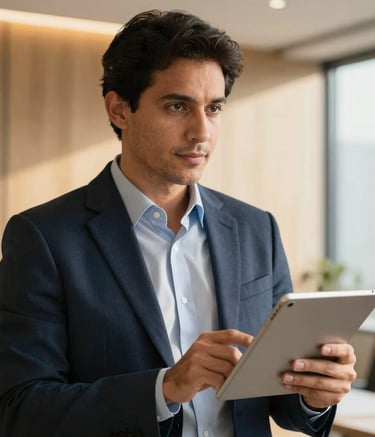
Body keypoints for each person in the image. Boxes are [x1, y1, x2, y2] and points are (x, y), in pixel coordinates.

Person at [0, 9, 356, 437]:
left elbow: (280, 402)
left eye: (214, 108)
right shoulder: (44, 238)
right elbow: (21, 410)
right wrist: (165, 387)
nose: (201, 132)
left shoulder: (256, 228)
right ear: (119, 110)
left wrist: (313, 394)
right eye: (177, 106)